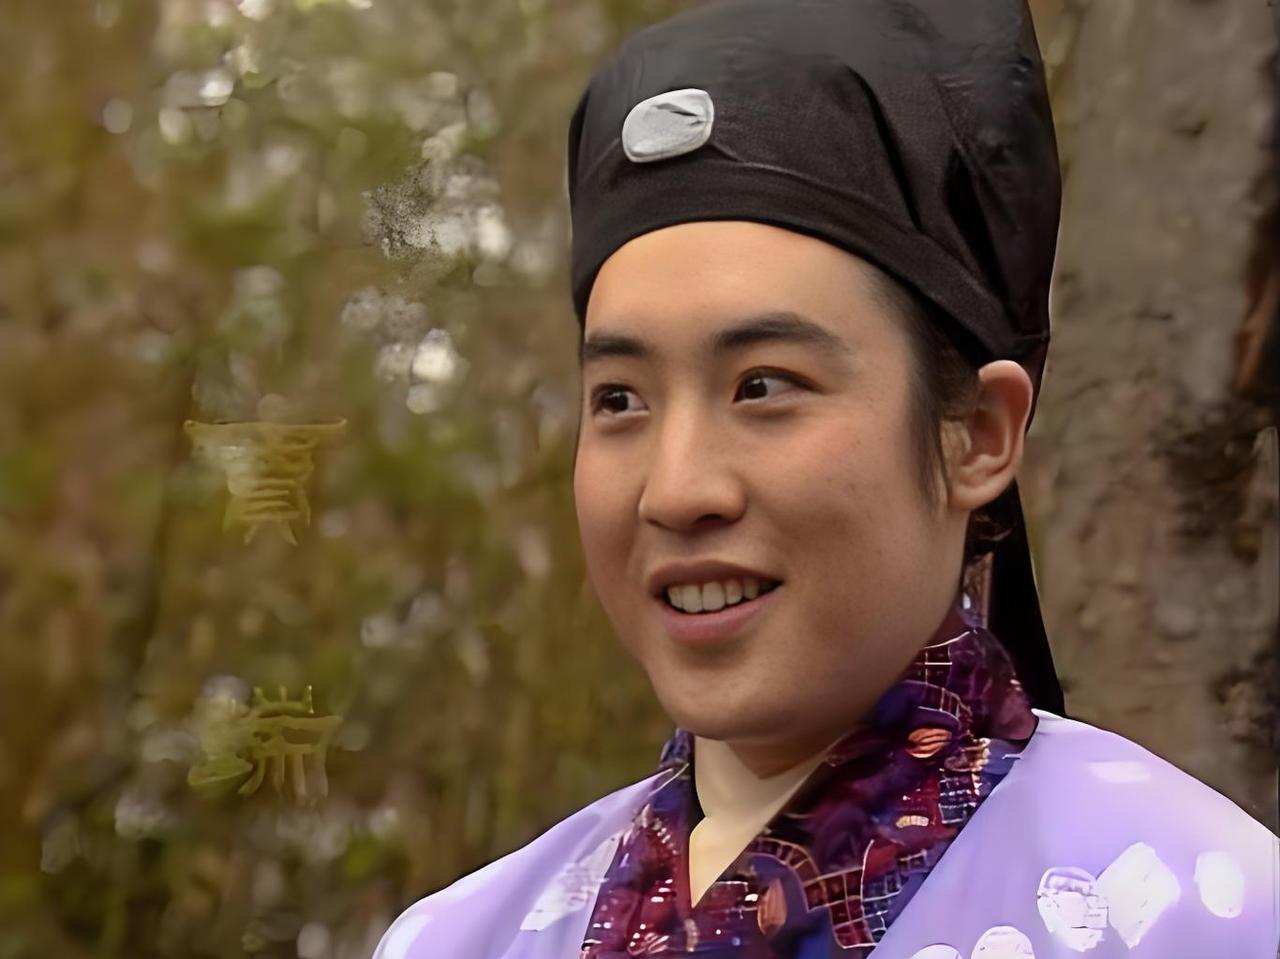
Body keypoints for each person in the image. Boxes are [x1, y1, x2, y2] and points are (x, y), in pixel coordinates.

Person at [374, 1, 1280, 956]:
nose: (675, 490)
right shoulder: (462, 938)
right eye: (621, 400)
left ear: (977, 434)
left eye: (763, 386)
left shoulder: (1199, 915)